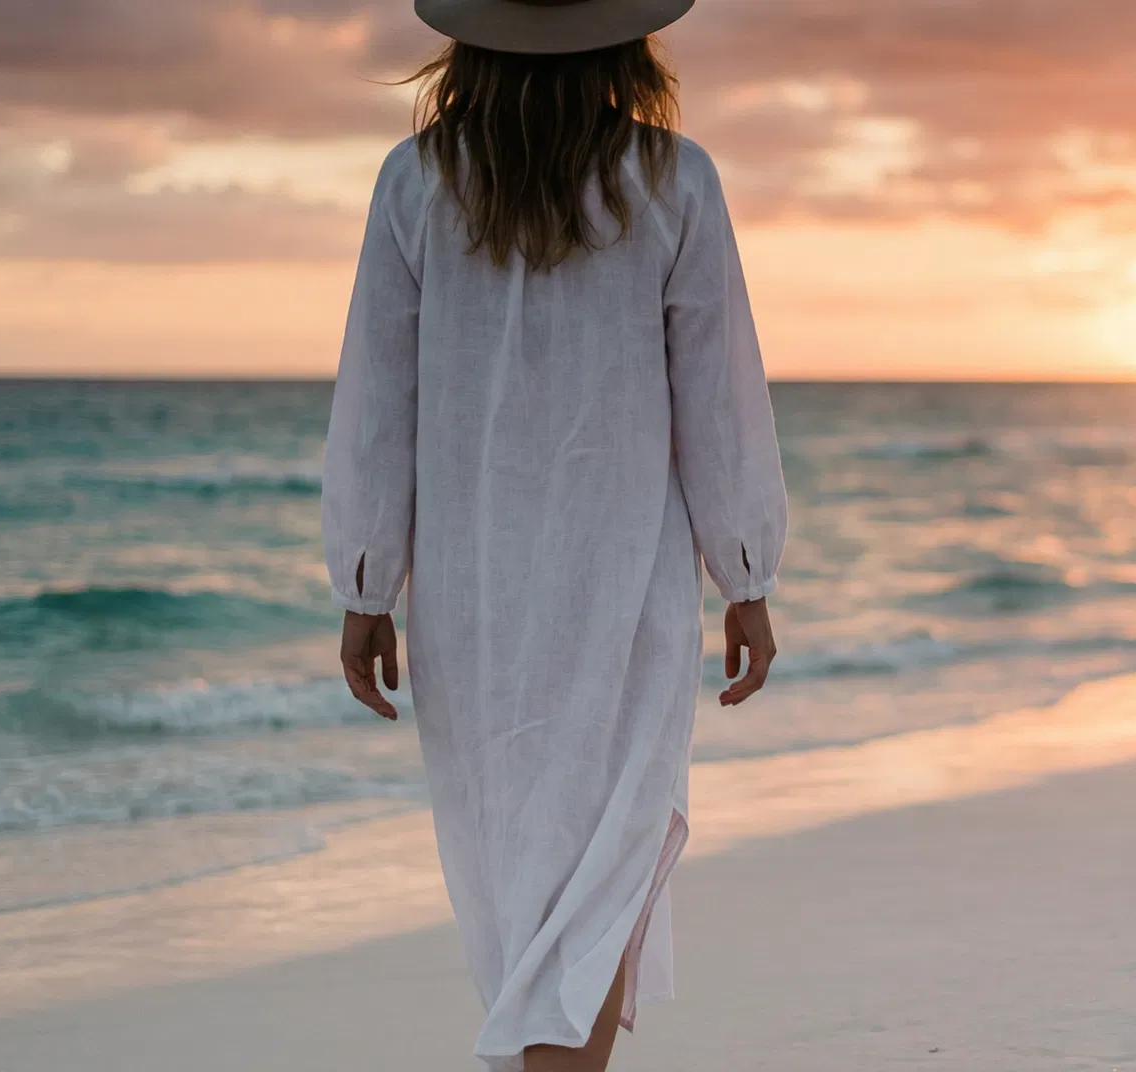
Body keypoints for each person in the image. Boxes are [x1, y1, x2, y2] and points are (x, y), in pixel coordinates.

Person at [319, 1, 787, 1068]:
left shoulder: (417, 184)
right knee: (606, 849)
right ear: (626, 40)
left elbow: (377, 398)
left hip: (471, 592)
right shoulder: (674, 181)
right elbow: (720, 399)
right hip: (622, 583)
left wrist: (365, 583)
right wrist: (745, 574)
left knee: (517, 869)